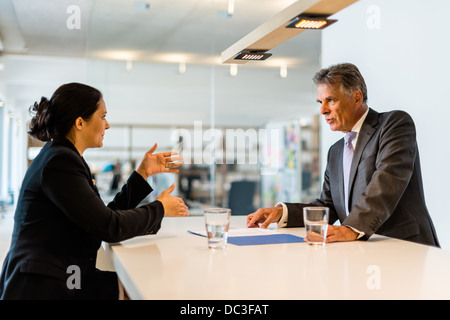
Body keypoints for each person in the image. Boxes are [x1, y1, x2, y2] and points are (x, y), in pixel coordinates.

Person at [0, 83, 189, 300]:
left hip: (66, 274)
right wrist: (160, 208)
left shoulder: (64, 156)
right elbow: (109, 226)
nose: (107, 125)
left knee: (137, 285)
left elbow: (100, 218)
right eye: (103, 116)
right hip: (43, 284)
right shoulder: (60, 162)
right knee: (144, 286)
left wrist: (142, 174)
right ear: (80, 122)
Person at [247, 63, 440, 247]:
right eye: (320, 102)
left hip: (404, 246)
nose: (323, 110)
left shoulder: (394, 124)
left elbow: (387, 182)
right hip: (365, 253)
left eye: (330, 100)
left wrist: (351, 228)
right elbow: (328, 206)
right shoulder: (336, 151)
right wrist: (282, 213)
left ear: (356, 98)